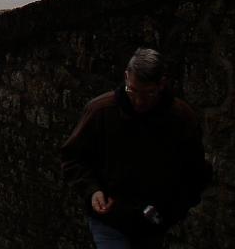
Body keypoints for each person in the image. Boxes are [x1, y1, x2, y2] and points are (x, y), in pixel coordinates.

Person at [60, 48, 210, 249]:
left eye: (149, 93)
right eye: (132, 91)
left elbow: (195, 173)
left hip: (152, 223)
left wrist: (170, 210)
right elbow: (73, 157)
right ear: (126, 77)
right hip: (109, 218)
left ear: (161, 84)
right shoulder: (101, 110)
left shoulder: (181, 118)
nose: (139, 101)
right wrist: (92, 190)